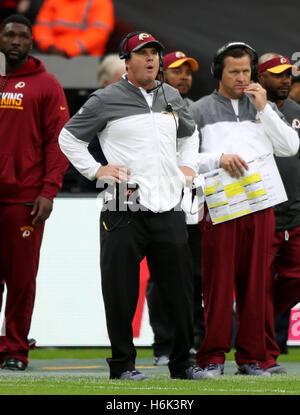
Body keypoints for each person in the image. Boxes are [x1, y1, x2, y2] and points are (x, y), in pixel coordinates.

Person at [58, 31, 216, 381]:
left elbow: (190, 135)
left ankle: (181, 364)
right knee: (120, 292)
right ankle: (123, 366)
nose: (150, 59)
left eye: (154, 54)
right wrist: (95, 169)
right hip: (121, 205)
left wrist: (188, 167)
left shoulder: (171, 96)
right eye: (141, 53)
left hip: (168, 205)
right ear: (125, 61)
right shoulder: (104, 99)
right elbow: (68, 137)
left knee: (179, 291)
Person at [189, 42, 299, 377]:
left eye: (246, 71)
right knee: (218, 287)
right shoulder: (199, 110)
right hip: (221, 207)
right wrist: (216, 159)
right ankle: (212, 358)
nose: (241, 78)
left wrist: (265, 110)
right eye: (233, 71)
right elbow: (185, 160)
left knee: (257, 284)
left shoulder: (262, 106)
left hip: (261, 205)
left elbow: (290, 146)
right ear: (217, 73)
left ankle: (253, 358)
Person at [0, 14, 69, 371]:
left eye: (21, 36)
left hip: (25, 197)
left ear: (31, 42)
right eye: (8, 34)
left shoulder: (47, 84)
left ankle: (14, 350)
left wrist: (48, 191)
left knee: (21, 280)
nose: (14, 41)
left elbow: (59, 143)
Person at [146, 50, 205, 366]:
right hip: (162, 202)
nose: (184, 77)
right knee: (161, 277)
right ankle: (163, 345)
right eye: (177, 71)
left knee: (195, 277)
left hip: (193, 202)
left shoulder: (197, 109)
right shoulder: (151, 107)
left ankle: (192, 342)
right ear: (161, 74)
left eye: (188, 72)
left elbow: (200, 154)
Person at [258, 53, 300, 363]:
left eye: (288, 75)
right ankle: (263, 353)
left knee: (295, 279)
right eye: (277, 75)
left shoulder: (297, 111)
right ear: (260, 78)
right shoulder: (246, 112)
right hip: (262, 211)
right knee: (257, 282)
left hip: (295, 211)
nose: (285, 80)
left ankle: (258, 320)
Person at [32, 0, 114, 58]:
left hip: (86, 57)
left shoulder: (100, 2)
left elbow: (99, 33)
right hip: (50, 53)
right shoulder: (53, 1)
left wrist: (68, 51)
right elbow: (41, 27)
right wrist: (49, 46)